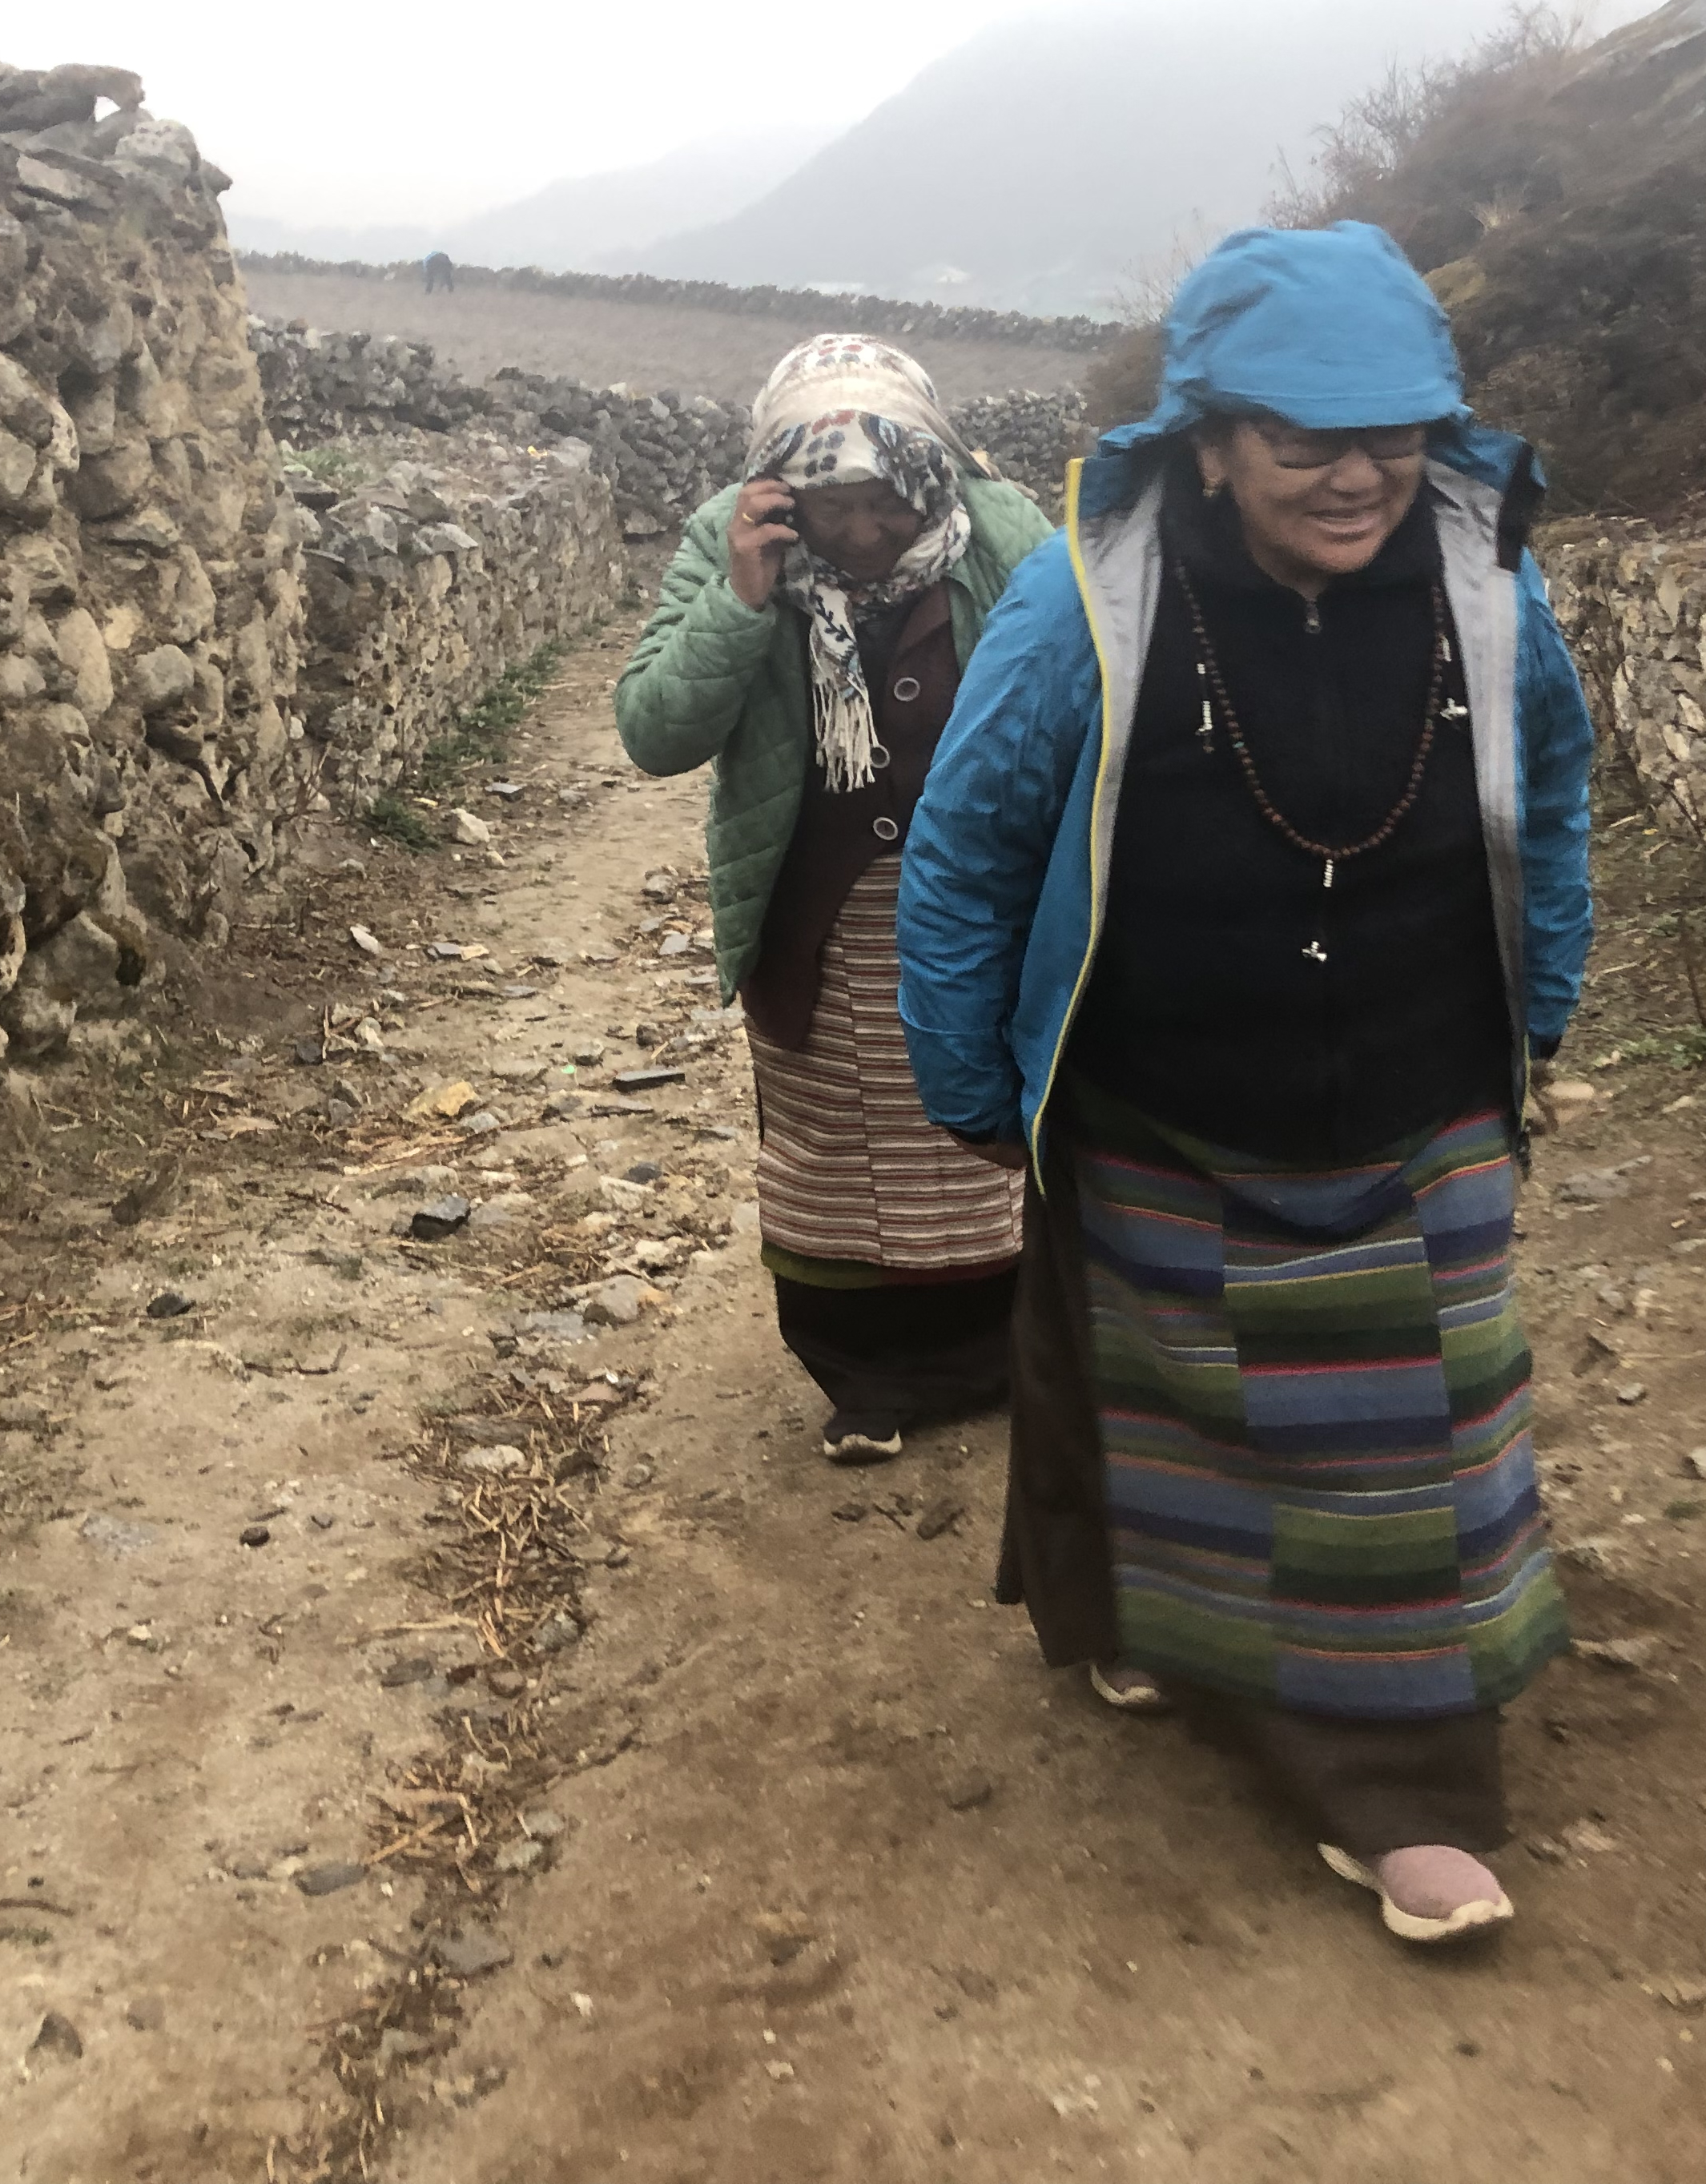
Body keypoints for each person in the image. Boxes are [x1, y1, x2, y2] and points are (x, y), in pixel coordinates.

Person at [895, 223, 1595, 1946]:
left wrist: (1549, 1004)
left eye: (1394, 434)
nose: (1358, 476)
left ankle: (1408, 1792)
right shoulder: (1091, 598)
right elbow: (969, 850)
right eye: (1305, 438)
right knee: (1158, 1397)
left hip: (1422, 1092)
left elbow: (1552, 804)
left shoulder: (1489, 594)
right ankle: (1130, 1615)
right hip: (1165, 1101)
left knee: (1401, 1453)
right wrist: (969, 1070)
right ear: (1209, 437)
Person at [616, 336, 1055, 1463]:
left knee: (985, 1136)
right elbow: (657, 732)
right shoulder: (734, 543)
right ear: (780, 492)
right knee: (839, 1151)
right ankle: (867, 1377)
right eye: (830, 506)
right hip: (823, 918)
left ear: (929, 473)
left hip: (979, 908)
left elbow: (1078, 695)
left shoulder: (1005, 539)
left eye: (884, 501)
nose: (861, 532)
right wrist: (741, 599)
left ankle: (1006, 1355)